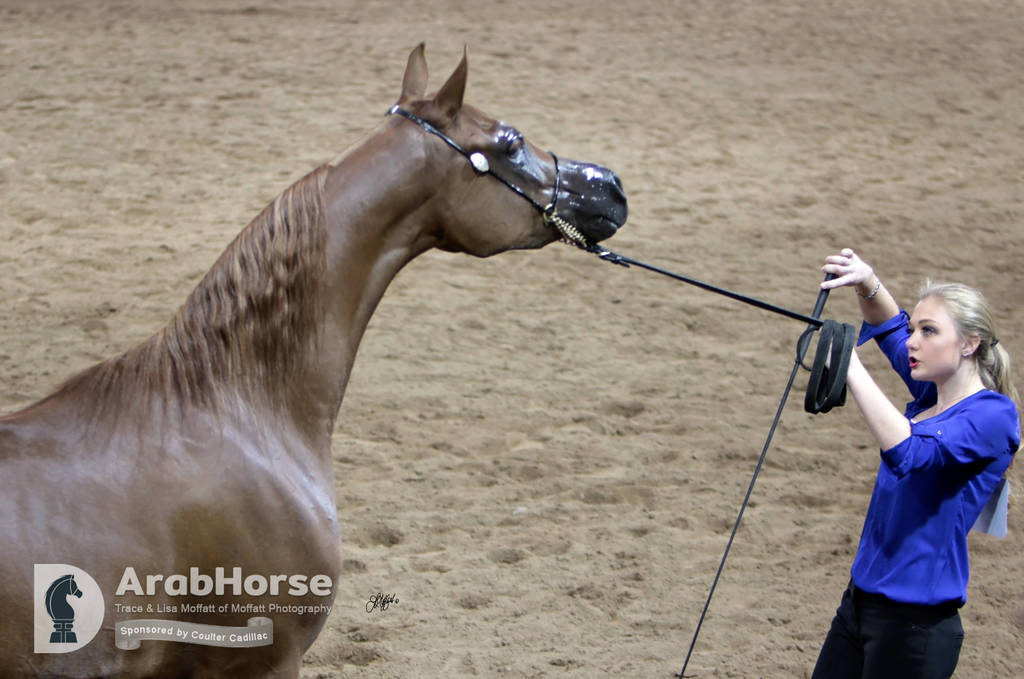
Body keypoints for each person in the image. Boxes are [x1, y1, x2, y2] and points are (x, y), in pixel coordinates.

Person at [810, 248, 1020, 679]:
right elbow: (887, 327)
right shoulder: (933, 397)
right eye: (915, 330)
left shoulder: (993, 416)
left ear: (968, 343)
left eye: (928, 331)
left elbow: (909, 453)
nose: (912, 341)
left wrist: (850, 363)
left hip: (915, 627)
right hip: (859, 606)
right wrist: (868, 282)